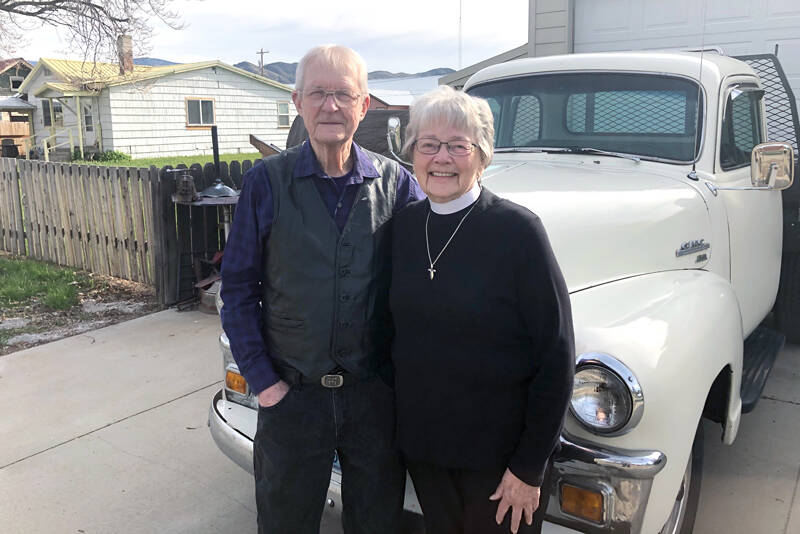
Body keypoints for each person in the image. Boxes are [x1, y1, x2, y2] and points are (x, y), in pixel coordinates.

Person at [220, 44, 424, 534]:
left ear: (364, 105)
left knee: (376, 522)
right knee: (285, 521)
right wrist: (264, 383)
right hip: (292, 398)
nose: (330, 106)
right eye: (317, 94)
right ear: (297, 102)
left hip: (373, 399)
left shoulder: (396, 184)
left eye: (342, 94)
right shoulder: (265, 183)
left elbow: (440, 260)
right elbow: (238, 290)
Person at [390, 85, 575, 534]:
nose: (441, 158)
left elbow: (556, 358)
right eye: (428, 145)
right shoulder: (403, 229)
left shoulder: (518, 232)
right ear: (413, 154)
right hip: (426, 452)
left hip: (500, 465)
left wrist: (529, 468)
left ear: (482, 154)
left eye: (458, 146)